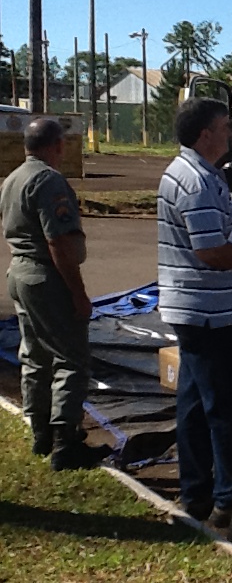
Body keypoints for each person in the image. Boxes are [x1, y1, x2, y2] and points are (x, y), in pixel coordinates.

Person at [157, 98, 232, 529]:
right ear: (205, 134)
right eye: (225, 127)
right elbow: (209, 251)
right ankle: (226, 499)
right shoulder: (197, 182)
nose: (231, 133)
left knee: (194, 404)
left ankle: (196, 494)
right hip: (210, 313)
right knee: (228, 407)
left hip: (200, 310)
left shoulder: (197, 175)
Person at [0, 118, 109, 470]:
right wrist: (78, 293)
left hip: (19, 273)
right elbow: (59, 241)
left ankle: (41, 431)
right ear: (57, 146)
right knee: (70, 358)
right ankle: (66, 441)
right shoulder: (48, 180)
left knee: (34, 355)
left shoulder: (12, 179)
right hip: (47, 278)